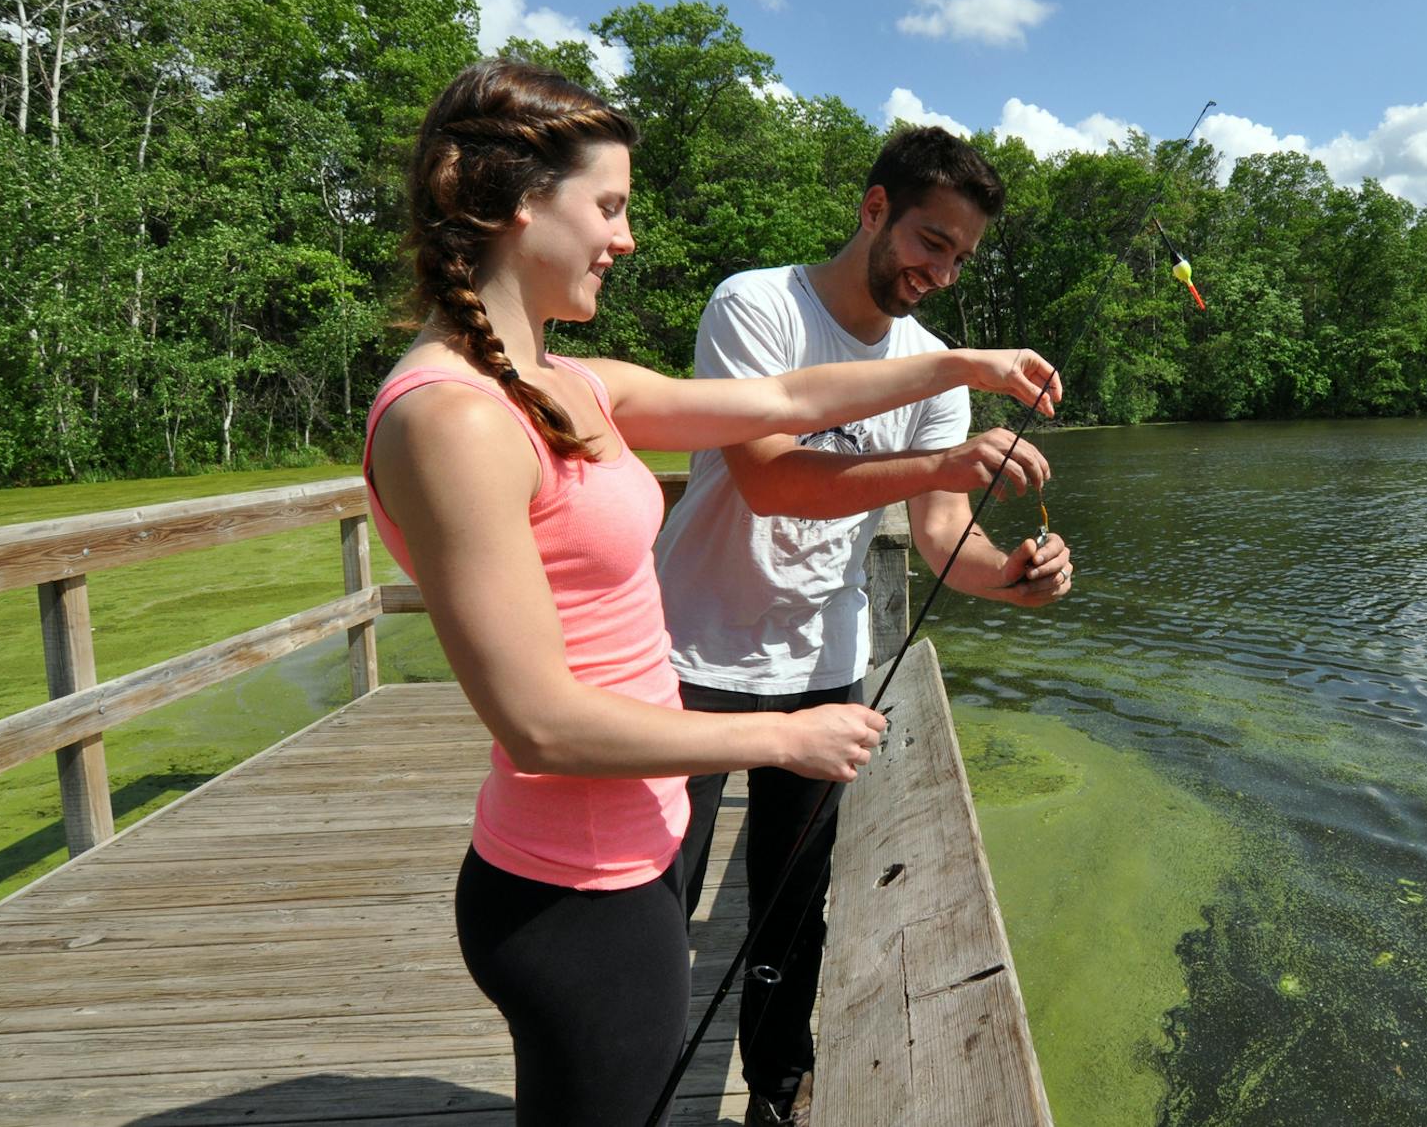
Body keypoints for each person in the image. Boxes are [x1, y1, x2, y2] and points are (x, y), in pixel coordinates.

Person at [360, 62, 1060, 1127]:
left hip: (613, 852)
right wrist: (785, 741)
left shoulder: (569, 382)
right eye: (608, 205)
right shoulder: (452, 417)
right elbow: (541, 722)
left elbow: (781, 398)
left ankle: (776, 1093)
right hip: (576, 876)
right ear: (513, 203)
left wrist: (961, 368)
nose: (625, 236)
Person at [655, 126, 1076, 1125]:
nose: (942, 270)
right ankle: (629, 1079)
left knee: (793, 912)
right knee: (650, 900)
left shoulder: (933, 365)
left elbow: (938, 541)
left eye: (962, 257)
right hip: (694, 654)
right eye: (932, 240)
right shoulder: (756, 306)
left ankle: (773, 1091)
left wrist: (1013, 576)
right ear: (874, 208)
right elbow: (764, 476)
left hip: (820, 663)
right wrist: (946, 457)